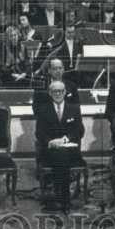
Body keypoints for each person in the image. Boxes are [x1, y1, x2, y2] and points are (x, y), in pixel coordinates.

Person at [35, 80, 84, 213]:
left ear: (65, 92)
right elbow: (39, 132)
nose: (58, 94)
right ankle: (65, 199)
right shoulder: (43, 110)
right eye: (55, 91)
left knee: (62, 155)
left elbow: (80, 130)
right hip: (50, 149)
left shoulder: (74, 108)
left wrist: (66, 139)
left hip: (70, 149)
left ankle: (58, 196)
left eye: (61, 91)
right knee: (60, 156)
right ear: (50, 93)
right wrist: (50, 142)